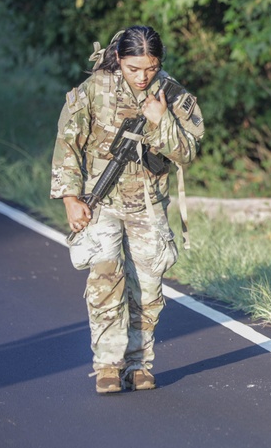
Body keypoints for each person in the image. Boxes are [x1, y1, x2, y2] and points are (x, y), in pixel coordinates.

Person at [51, 26, 204, 394]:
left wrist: (160, 121)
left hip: (148, 202)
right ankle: (107, 364)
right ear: (119, 59)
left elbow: (187, 153)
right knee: (106, 279)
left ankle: (138, 364)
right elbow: (67, 142)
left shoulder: (173, 94)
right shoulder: (93, 91)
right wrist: (71, 199)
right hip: (99, 201)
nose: (142, 76)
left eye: (150, 68)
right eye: (134, 68)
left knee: (148, 288)